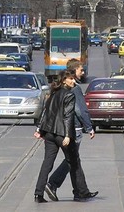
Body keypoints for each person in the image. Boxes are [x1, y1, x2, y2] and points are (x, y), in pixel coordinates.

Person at [33, 71, 94, 203]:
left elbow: (46, 112)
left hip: (49, 134)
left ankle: (38, 194)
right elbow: (68, 116)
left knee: (47, 164)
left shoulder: (53, 92)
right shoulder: (69, 95)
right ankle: (79, 193)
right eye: (71, 79)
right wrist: (67, 135)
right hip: (62, 134)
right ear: (64, 80)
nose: (73, 81)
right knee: (74, 162)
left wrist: (40, 129)